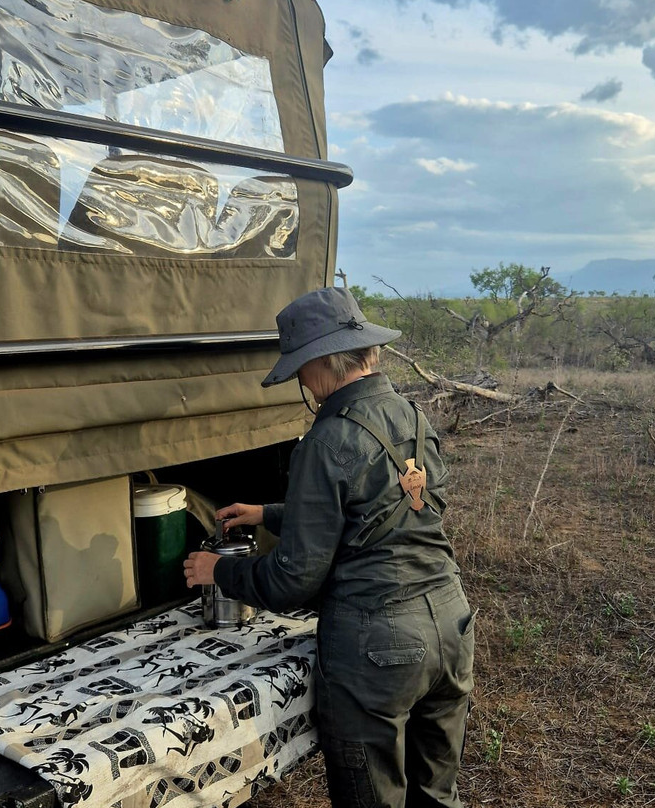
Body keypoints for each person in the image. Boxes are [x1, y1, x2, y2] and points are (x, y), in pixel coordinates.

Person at [183, 286, 475, 808]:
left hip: (379, 647)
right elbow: (387, 509)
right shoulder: (411, 415)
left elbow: (291, 581)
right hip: (451, 625)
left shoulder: (325, 439)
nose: (301, 382)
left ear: (321, 363)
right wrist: (269, 513)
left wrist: (218, 572)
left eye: (300, 369)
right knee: (436, 797)